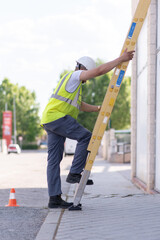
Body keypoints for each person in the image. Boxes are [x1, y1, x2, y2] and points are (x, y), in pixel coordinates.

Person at [41, 49, 135, 209]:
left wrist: (99, 108)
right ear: (82, 68)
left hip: (49, 120)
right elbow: (98, 71)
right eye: (87, 73)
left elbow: (80, 105)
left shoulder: (72, 86)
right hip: (57, 118)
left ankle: (54, 198)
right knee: (86, 137)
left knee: (54, 161)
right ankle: (74, 173)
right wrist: (121, 59)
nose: (86, 79)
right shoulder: (75, 75)